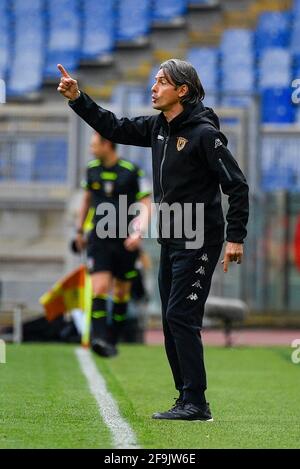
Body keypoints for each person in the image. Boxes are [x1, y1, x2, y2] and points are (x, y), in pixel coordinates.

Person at [57, 59, 249, 421]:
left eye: (162, 82)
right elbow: (112, 126)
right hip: (172, 240)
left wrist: (235, 237)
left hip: (200, 240)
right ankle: (185, 399)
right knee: (169, 319)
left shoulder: (206, 135)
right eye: (154, 80)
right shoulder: (158, 127)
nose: (154, 87)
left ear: (183, 91)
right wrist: (78, 98)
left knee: (180, 316)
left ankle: (196, 402)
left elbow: (236, 185)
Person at [75, 131, 151, 357]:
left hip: (126, 242)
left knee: (120, 293)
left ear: (107, 144)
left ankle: (112, 340)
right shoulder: (91, 170)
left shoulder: (131, 171)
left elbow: (146, 203)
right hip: (98, 239)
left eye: (94, 144)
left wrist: (138, 232)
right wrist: (79, 230)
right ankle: (98, 338)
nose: (91, 149)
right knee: (98, 287)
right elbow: (86, 201)